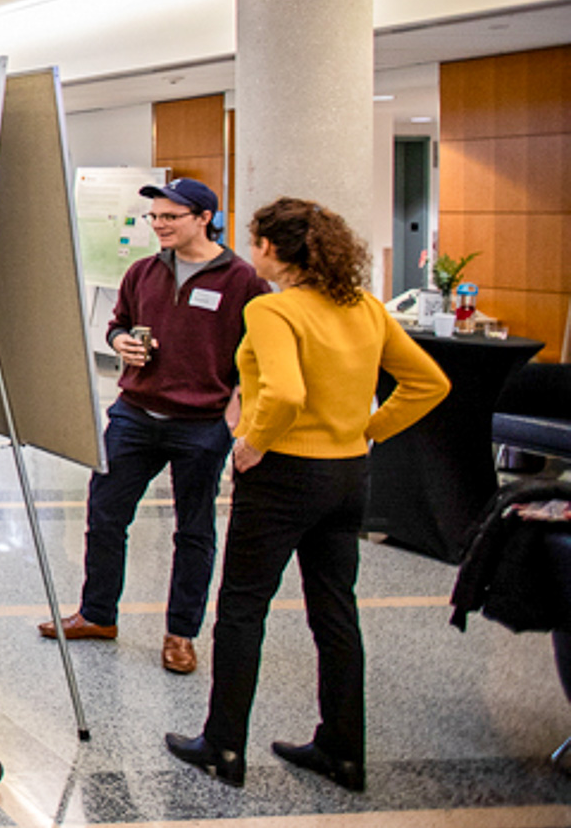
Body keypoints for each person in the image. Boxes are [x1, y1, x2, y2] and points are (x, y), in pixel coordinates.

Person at [166, 198, 448, 791]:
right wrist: (367, 431)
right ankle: (343, 751)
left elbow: (286, 394)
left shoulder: (276, 311)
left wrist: (253, 443)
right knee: (335, 612)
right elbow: (429, 382)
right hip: (347, 477)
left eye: (257, 241)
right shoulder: (366, 308)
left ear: (272, 248)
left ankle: (222, 746)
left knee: (243, 609)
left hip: (283, 476)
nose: (254, 250)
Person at [39, 178, 271, 676]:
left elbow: (260, 357)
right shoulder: (142, 272)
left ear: (204, 218)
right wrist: (120, 341)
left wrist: (237, 415)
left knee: (194, 532)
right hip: (135, 415)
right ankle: (98, 613)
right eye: (156, 217)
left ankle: (181, 634)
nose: (160, 225)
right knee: (104, 516)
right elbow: (118, 322)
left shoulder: (243, 281)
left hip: (202, 424)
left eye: (171, 216)